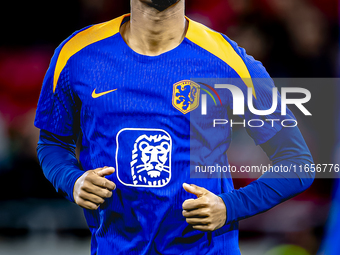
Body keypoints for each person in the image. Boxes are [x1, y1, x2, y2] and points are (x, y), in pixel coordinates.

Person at [35, 0, 315, 254]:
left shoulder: (229, 62)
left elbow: (298, 163)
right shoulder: (76, 55)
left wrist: (230, 206)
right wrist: (72, 180)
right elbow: (52, 143)